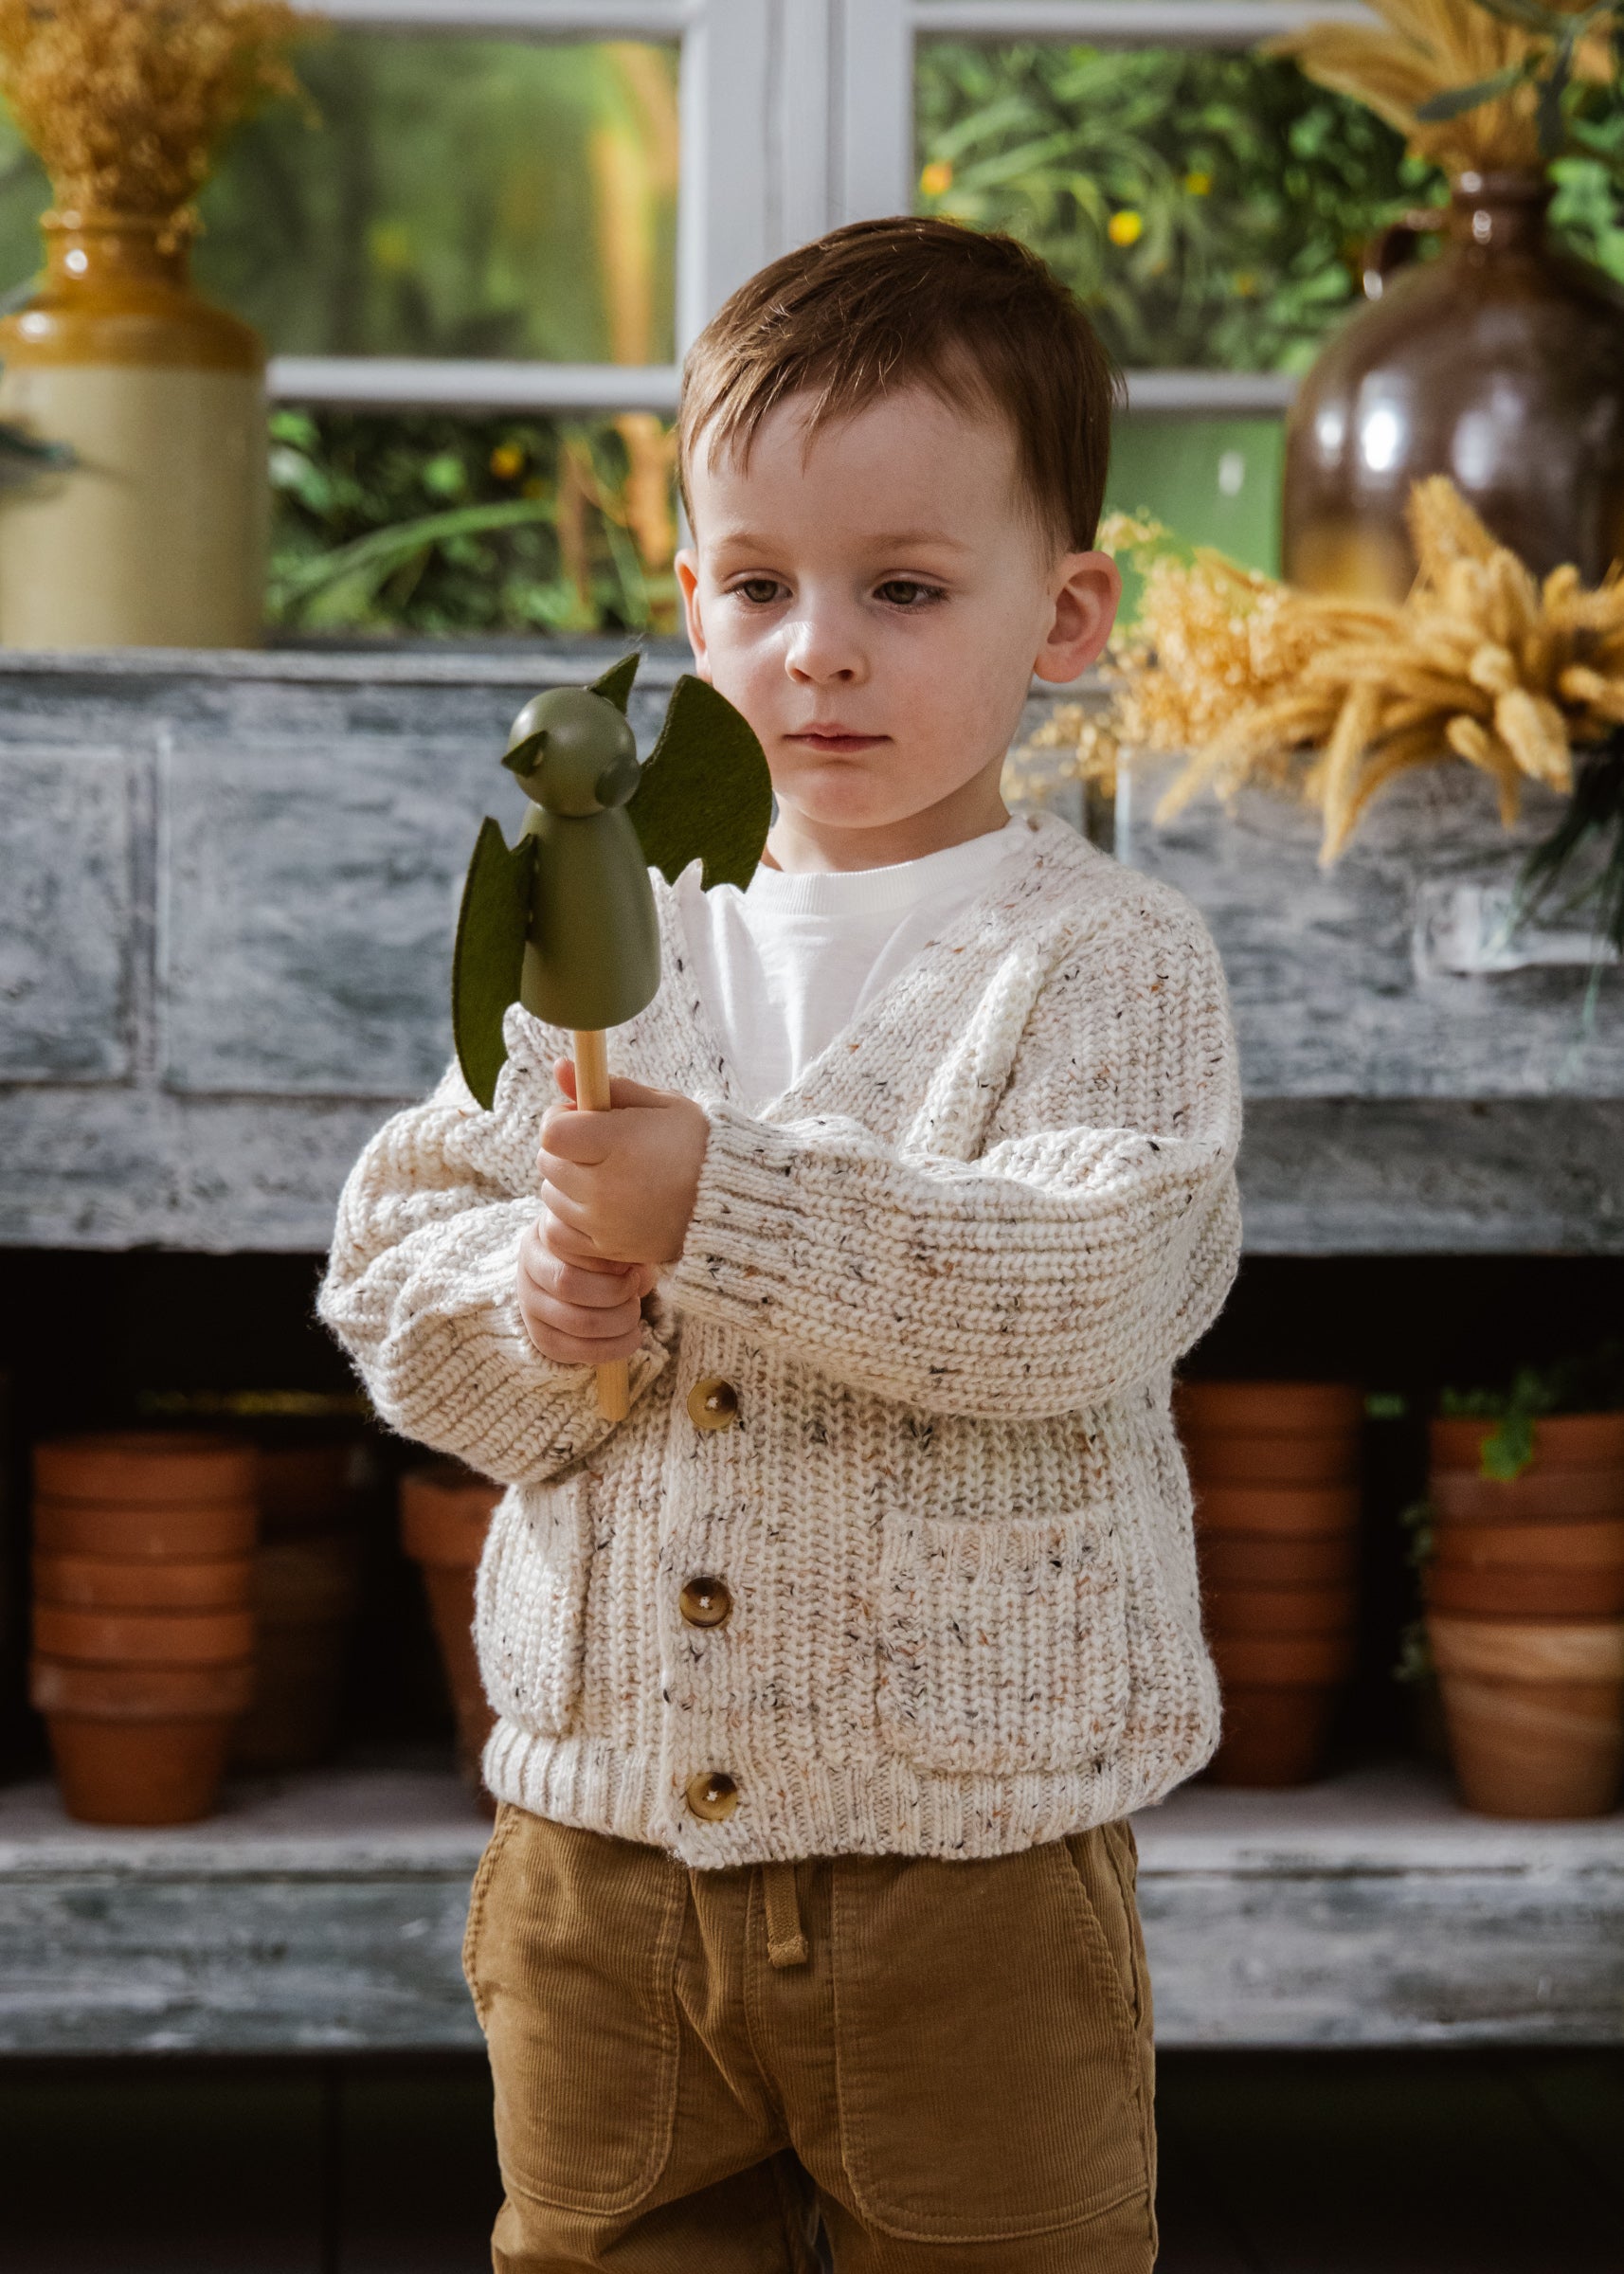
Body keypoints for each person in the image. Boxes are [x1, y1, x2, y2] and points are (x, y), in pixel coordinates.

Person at [320, 214, 1242, 2274]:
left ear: (1063, 612)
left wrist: (712, 1204)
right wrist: (534, 1307)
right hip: (601, 1867)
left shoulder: (1103, 965)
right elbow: (407, 1274)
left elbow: (1079, 1288)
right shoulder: (602, 955)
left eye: (902, 590)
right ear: (687, 610)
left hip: (972, 1874)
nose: (816, 647)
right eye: (757, 587)